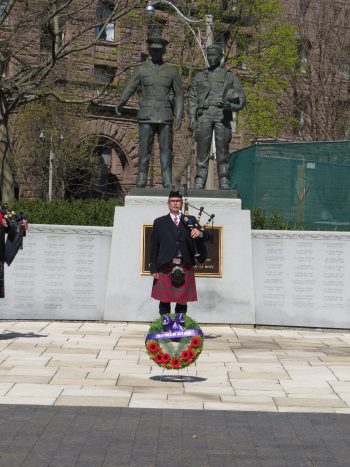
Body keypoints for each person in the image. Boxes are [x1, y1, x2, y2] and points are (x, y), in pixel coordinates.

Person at [115, 37, 184, 189]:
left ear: (163, 51)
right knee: (144, 149)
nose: (155, 53)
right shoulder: (141, 69)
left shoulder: (171, 70)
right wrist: (121, 102)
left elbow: (179, 94)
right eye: (153, 50)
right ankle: (141, 178)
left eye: (158, 50)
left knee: (166, 150)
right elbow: (130, 86)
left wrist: (179, 114)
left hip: (165, 115)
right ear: (149, 51)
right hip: (146, 114)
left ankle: (167, 179)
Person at [188, 44, 246, 190]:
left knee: (223, 151)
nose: (211, 58)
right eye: (209, 55)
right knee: (202, 151)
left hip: (222, 115)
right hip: (204, 115)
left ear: (220, 57)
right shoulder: (199, 76)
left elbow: (241, 99)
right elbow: (193, 99)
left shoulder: (230, 76)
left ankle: (224, 180)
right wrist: (193, 118)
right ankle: (200, 180)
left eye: (214, 55)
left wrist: (229, 105)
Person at [150, 190, 209, 316]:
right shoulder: (159, 222)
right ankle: (166, 328)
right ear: (168, 203)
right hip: (165, 266)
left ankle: (179, 328)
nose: (175, 203)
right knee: (164, 299)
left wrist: (200, 233)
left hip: (185, 265)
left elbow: (210, 237)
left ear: (181, 203)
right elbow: (154, 246)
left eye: (178, 201)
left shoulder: (190, 220)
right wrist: (153, 268)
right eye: (173, 201)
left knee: (182, 300)